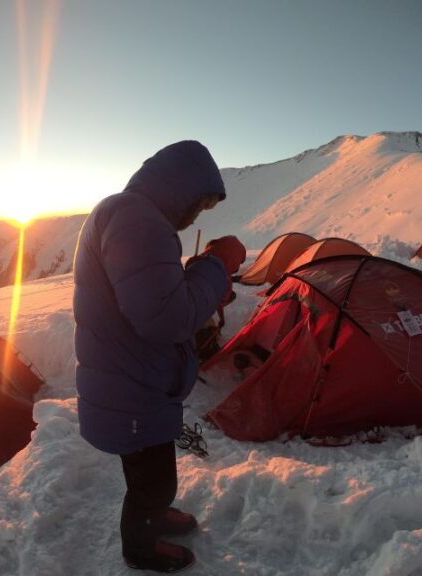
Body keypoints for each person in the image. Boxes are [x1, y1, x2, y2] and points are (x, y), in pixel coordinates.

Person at [72, 140, 245, 572]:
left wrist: (201, 271)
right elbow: (166, 318)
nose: (196, 215)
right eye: (199, 203)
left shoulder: (129, 214)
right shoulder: (137, 222)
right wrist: (217, 266)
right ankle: (141, 546)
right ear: (181, 186)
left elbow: (152, 296)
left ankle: (153, 512)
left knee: (148, 468)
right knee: (152, 479)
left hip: (131, 377)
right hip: (130, 386)